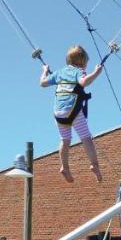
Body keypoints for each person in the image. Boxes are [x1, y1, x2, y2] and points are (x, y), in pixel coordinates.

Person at [40, 44, 104, 182]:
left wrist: (45, 71)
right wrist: (96, 73)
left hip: (58, 113)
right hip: (72, 110)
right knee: (86, 138)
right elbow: (84, 82)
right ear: (82, 61)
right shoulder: (78, 71)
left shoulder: (58, 73)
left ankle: (65, 167)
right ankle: (94, 165)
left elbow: (43, 83)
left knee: (65, 140)